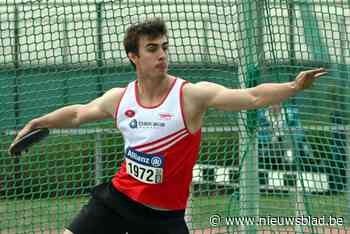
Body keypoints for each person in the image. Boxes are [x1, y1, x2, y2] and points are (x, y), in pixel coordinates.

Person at [9, 17, 327, 234]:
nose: (161, 54)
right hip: (116, 201)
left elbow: (253, 96)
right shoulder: (120, 98)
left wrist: (294, 87)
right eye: (152, 48)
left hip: (164, 218)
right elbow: (78, 113)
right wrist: (39, 120)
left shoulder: (189, 96)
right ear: (134, 56)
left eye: (164, 46)